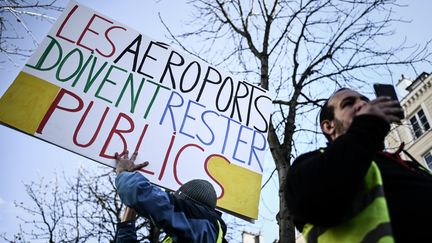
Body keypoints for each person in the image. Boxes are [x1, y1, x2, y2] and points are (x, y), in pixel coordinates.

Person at [286, 88, 432, 243]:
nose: (363, 104)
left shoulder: (408, 164)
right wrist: (366, 126)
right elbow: (310, 201)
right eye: (348, 103)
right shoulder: (313, 162)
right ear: (329, 127)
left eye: (366, 101)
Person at [114, 150, 227, 243]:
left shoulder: (202, 224)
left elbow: (138, 191)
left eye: (176, 201)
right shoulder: (199, 233)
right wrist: (131, 208)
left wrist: (124, 173)